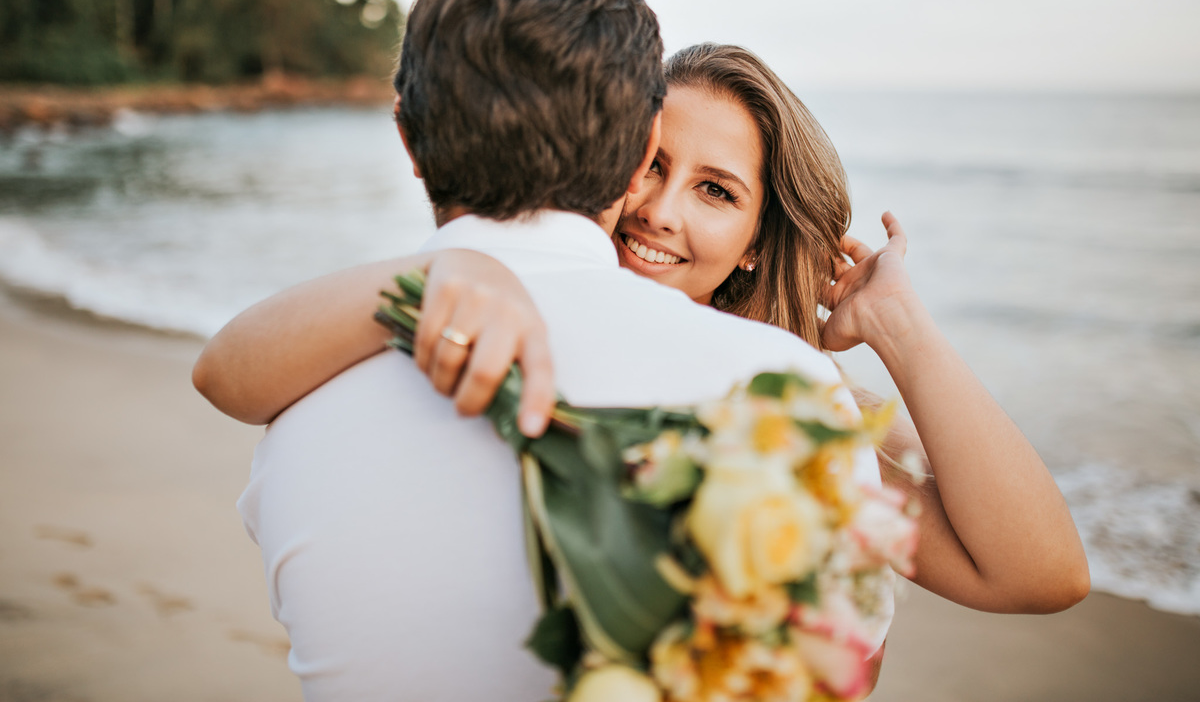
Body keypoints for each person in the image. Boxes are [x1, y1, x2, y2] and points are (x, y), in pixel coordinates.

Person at [197, 0, 894, 701]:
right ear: (643, 156)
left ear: (408, 139)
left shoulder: (298, 411)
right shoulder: (783, 394)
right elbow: (840, 678)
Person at [198, 41, 1091, 624]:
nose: (659, 211)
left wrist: (901, 329)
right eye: (651, 165)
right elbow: (227, 374)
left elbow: (1041, 573)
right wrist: (447, 271)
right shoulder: (492, 307)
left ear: (755, 242)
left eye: (715, 191)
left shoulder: (788, 414)